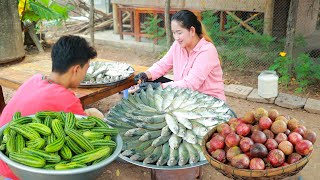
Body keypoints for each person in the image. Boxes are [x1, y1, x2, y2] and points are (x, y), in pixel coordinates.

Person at [0, 35, 103, 180]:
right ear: (76, 69)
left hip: (6, 157)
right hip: (19, 172)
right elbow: (83, 137)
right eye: (86, 69)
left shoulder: (35, 79)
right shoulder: (66, 100)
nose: (85, 75)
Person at [134, 10, 226, 101]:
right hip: (187, 95)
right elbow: (163, 65)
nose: (176, 37)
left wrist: (159, 87)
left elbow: (191, 84)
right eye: (174, 33)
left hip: (209, 101)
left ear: (192, 31)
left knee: (153, 87)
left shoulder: (207, 51)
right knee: (148, 81)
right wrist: (146, 74)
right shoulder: (178, 45)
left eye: (179, 32)